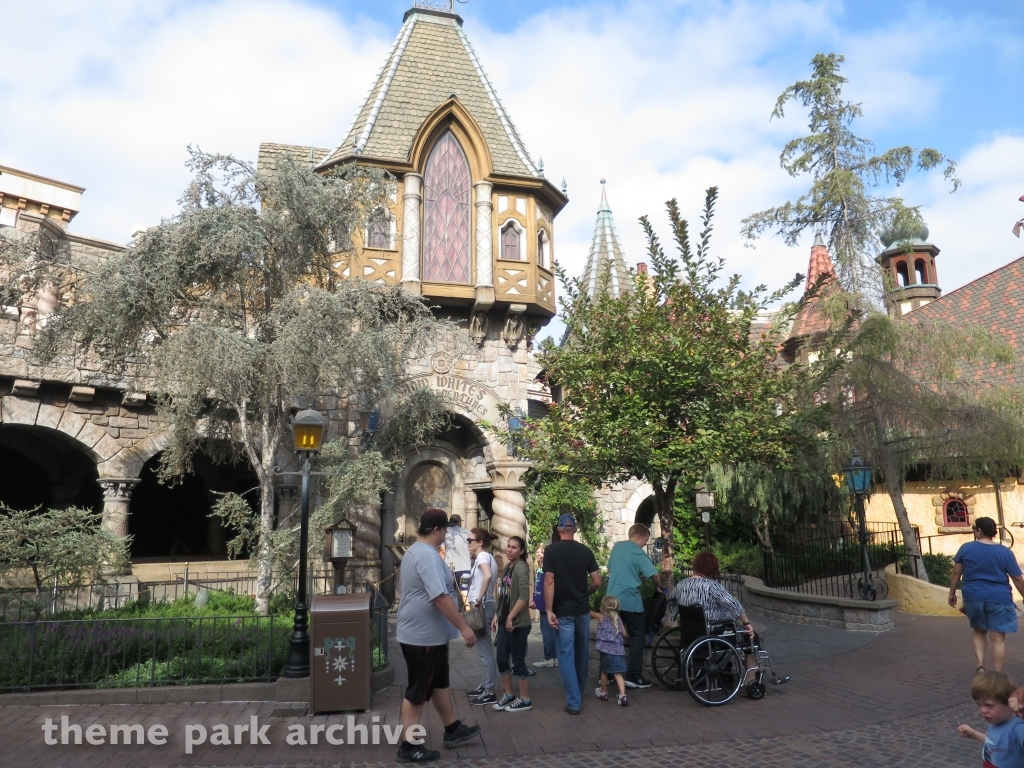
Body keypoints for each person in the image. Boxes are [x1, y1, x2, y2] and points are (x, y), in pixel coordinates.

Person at [394, 509, 481, 763]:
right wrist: (464, 627)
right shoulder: (427, 556)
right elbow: (440, 597)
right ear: (436, 530)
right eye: (445, 530)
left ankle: (452, 728)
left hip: (431, 636)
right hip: (422, 637)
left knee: (438, 683)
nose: (447, 534)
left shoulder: (418, 551)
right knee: (418, 690)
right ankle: (409, 746)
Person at [949, 517, 1024, 673]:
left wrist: (952, 593)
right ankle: (997, 674)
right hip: (999, 598)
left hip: (973, 597)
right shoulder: (1005, 552)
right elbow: (1017, 578)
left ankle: (981, 667)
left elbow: (956, 572)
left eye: (974, 529)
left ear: (979, 531)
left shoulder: (966, 548)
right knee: (998, 638)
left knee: (979, 631)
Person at [544, 513, 601, 715]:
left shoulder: (551, 551)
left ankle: (574, 701)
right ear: (575, 529)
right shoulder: (585, 551)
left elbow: (549, 581)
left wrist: (549, 610)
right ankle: (578, 691)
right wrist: (585, 593)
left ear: (559, 530)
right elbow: (597, 582)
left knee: (566, 655)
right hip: (582, 610)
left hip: (563, 611)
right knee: (581, 654)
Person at [671, 551, 759, 681]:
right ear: (711, 568)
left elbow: (672, 606)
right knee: (752, 636)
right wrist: (746, 623)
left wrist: (677, 618)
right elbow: (733, 604)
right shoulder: (711, 586)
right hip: (712, 633)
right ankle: (751, 679)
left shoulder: (681, 585)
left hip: (690, 634)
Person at [606, 523, 659, 688]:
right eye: (645, 540)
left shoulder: (617, 547)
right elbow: (654, 575)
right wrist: (657, 587)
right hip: (630, 600)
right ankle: (633, 675)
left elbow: (612, 569)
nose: (645, 543)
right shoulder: (638, 552)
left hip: (611, 599)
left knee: (612, 636)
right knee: (637, 636)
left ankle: (608, 675)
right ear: (638, 536)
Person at [491, 535, 534, 712]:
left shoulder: (521, 567)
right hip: (505, 621)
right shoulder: (509, 566)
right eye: (508, 546)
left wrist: (510, 617)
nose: (509, 550)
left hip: (518, 623)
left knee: (517, 661)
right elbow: (504, 594)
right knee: (501, 659)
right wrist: (498, 614)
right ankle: (509, 695)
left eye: (514, 547)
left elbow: (524, 597)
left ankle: (525, 699)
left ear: (521, 551)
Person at [958, 670, 1024, 767]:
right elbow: (995, 743)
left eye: (989, 705)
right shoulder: (996, 722)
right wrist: (974, 734)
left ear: (1009, 703)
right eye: (979, 704)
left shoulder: (1018, 729)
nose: (982, 710)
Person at [466, 528, 499, 706]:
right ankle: (485, 685)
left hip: (482, 606)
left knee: (485, 651)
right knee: (483, 649)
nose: (468, 543)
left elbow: (487, 576)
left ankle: (489, 691)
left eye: (470, 540)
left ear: (480, 542)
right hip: (485, 605)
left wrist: (479, 599)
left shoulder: (483, 557)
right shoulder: (487, 557)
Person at [590, 594, 628, 706]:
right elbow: (624, 633)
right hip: (618, 651)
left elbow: (590, 613)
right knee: (618, 673)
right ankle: (623, 695)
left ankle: (604, 692)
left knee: (604, 671)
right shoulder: (618, 619)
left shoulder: (601, 617)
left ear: (603, 607)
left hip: (606, 651)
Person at [531, 544, 558, 668]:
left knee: (546, 630)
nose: (539, 554)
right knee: (549, 630)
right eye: (537, 552)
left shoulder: (547, 568)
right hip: (540, 602)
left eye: (541, 552)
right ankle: (554, 657)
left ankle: (549, 657)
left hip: (545, 603)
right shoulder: (539, 567)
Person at [444, 514, 472, 593]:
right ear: (459, 522)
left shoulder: (446, 534)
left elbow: (442, 551)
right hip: (465, 569)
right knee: (465, 592)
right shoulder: (467, 533)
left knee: (450, 592)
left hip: (450, 569)